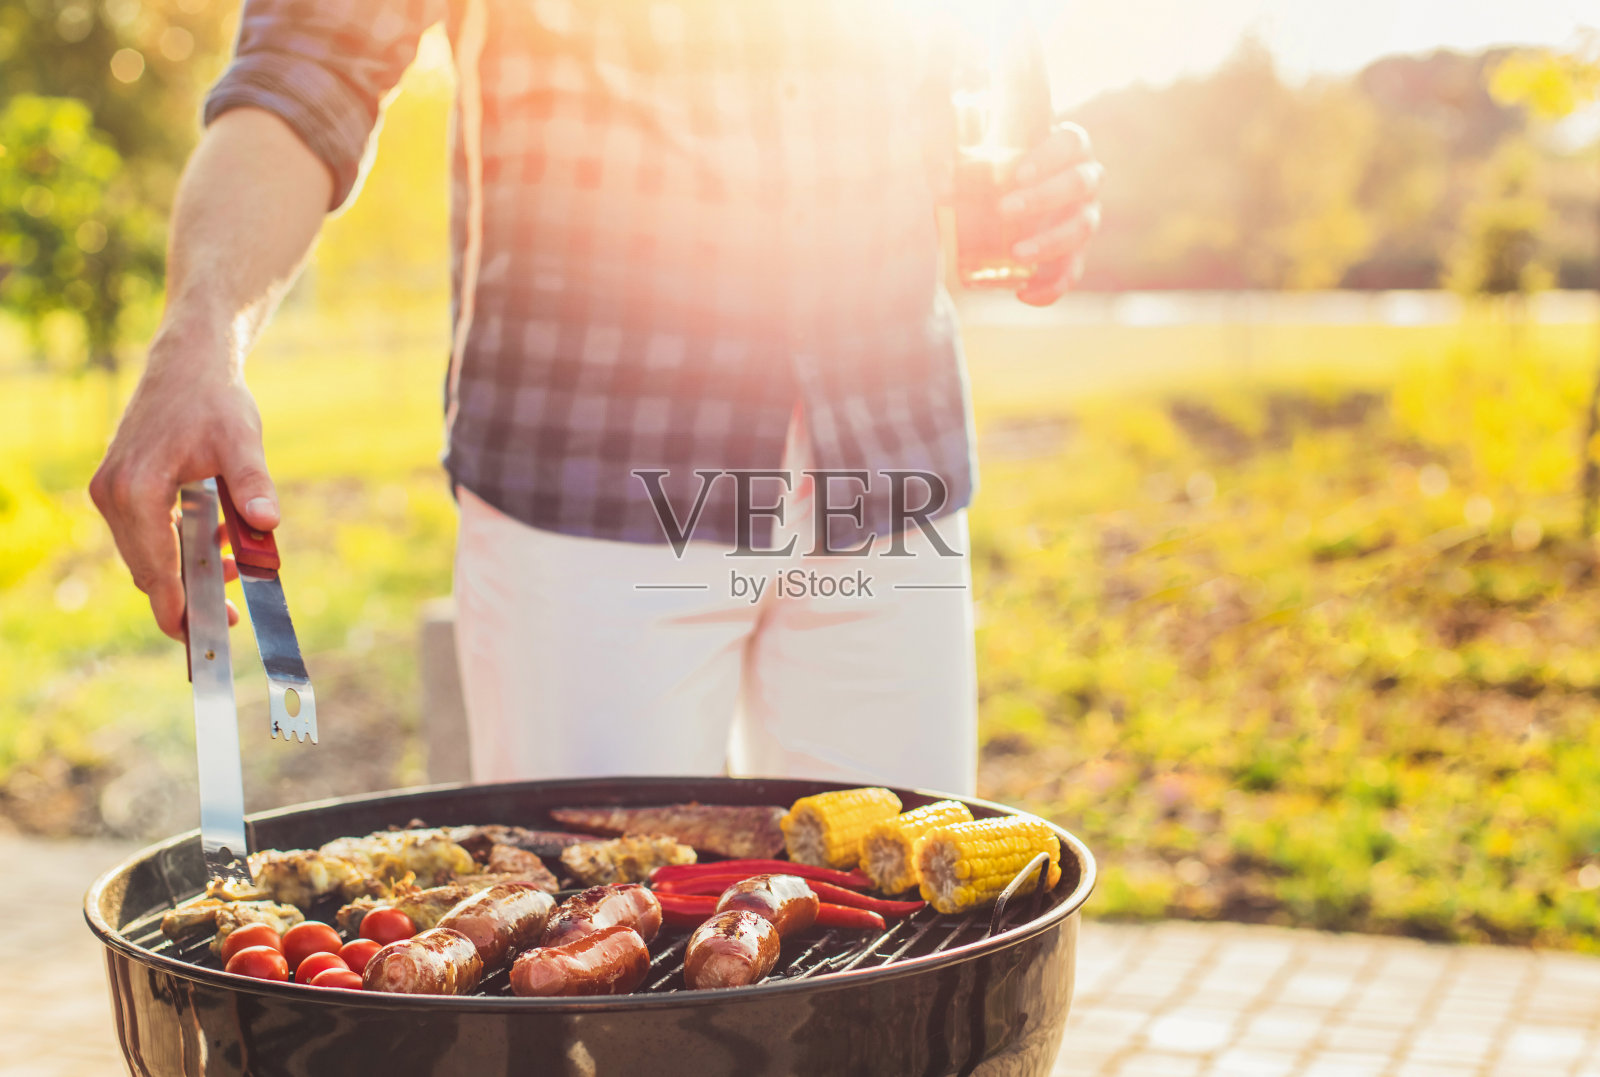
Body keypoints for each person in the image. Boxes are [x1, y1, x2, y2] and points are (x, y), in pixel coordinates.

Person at [90, 0, 1103, 797]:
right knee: (591, 995)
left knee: (909, 964)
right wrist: (202, 331)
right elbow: (305, 71)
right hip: (595, 480)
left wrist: (1012, 191)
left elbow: (933, 77)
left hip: (887, 457)